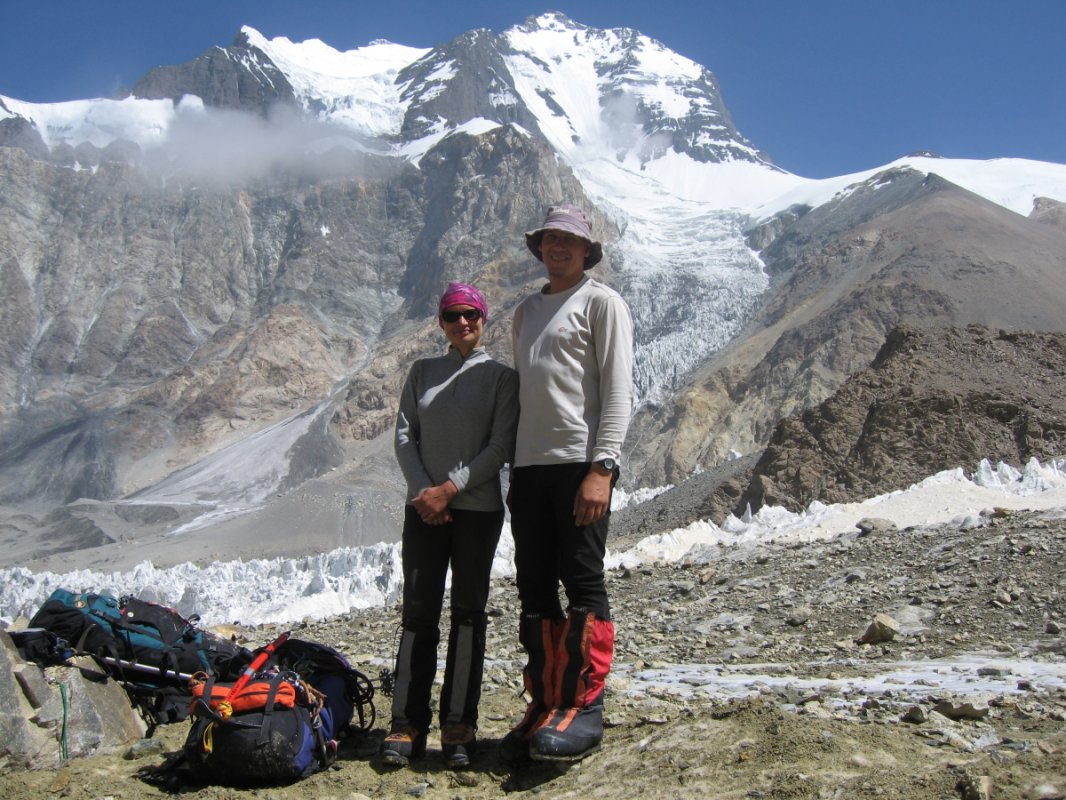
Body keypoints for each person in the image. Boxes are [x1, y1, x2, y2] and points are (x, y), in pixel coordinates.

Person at [503, 204, 635, 764]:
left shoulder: (601, 303)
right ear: (540, 248)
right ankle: (546, 699)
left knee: (582, 581)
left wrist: (601, 469)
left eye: (569, 240)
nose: (557, 247)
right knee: (533, 585)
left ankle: (584, 705)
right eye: (550, 239)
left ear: (586, 251)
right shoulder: (526, 311)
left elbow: (618, 390)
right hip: (529, 470)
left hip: (579, 466)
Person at [382, 282, 519, 769]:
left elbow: (502, 445)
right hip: (425, 510)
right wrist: (426, 492)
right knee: (418, 614)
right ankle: (406, 723)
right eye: (453, 315)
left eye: (471, 314)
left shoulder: (501, 378)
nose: (463, 322)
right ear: (441, 322)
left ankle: (459, 723)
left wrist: (451, 489)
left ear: (483, 319)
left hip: (477, 510)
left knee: (468, 614)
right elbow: (403, 436)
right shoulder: (422, 373)